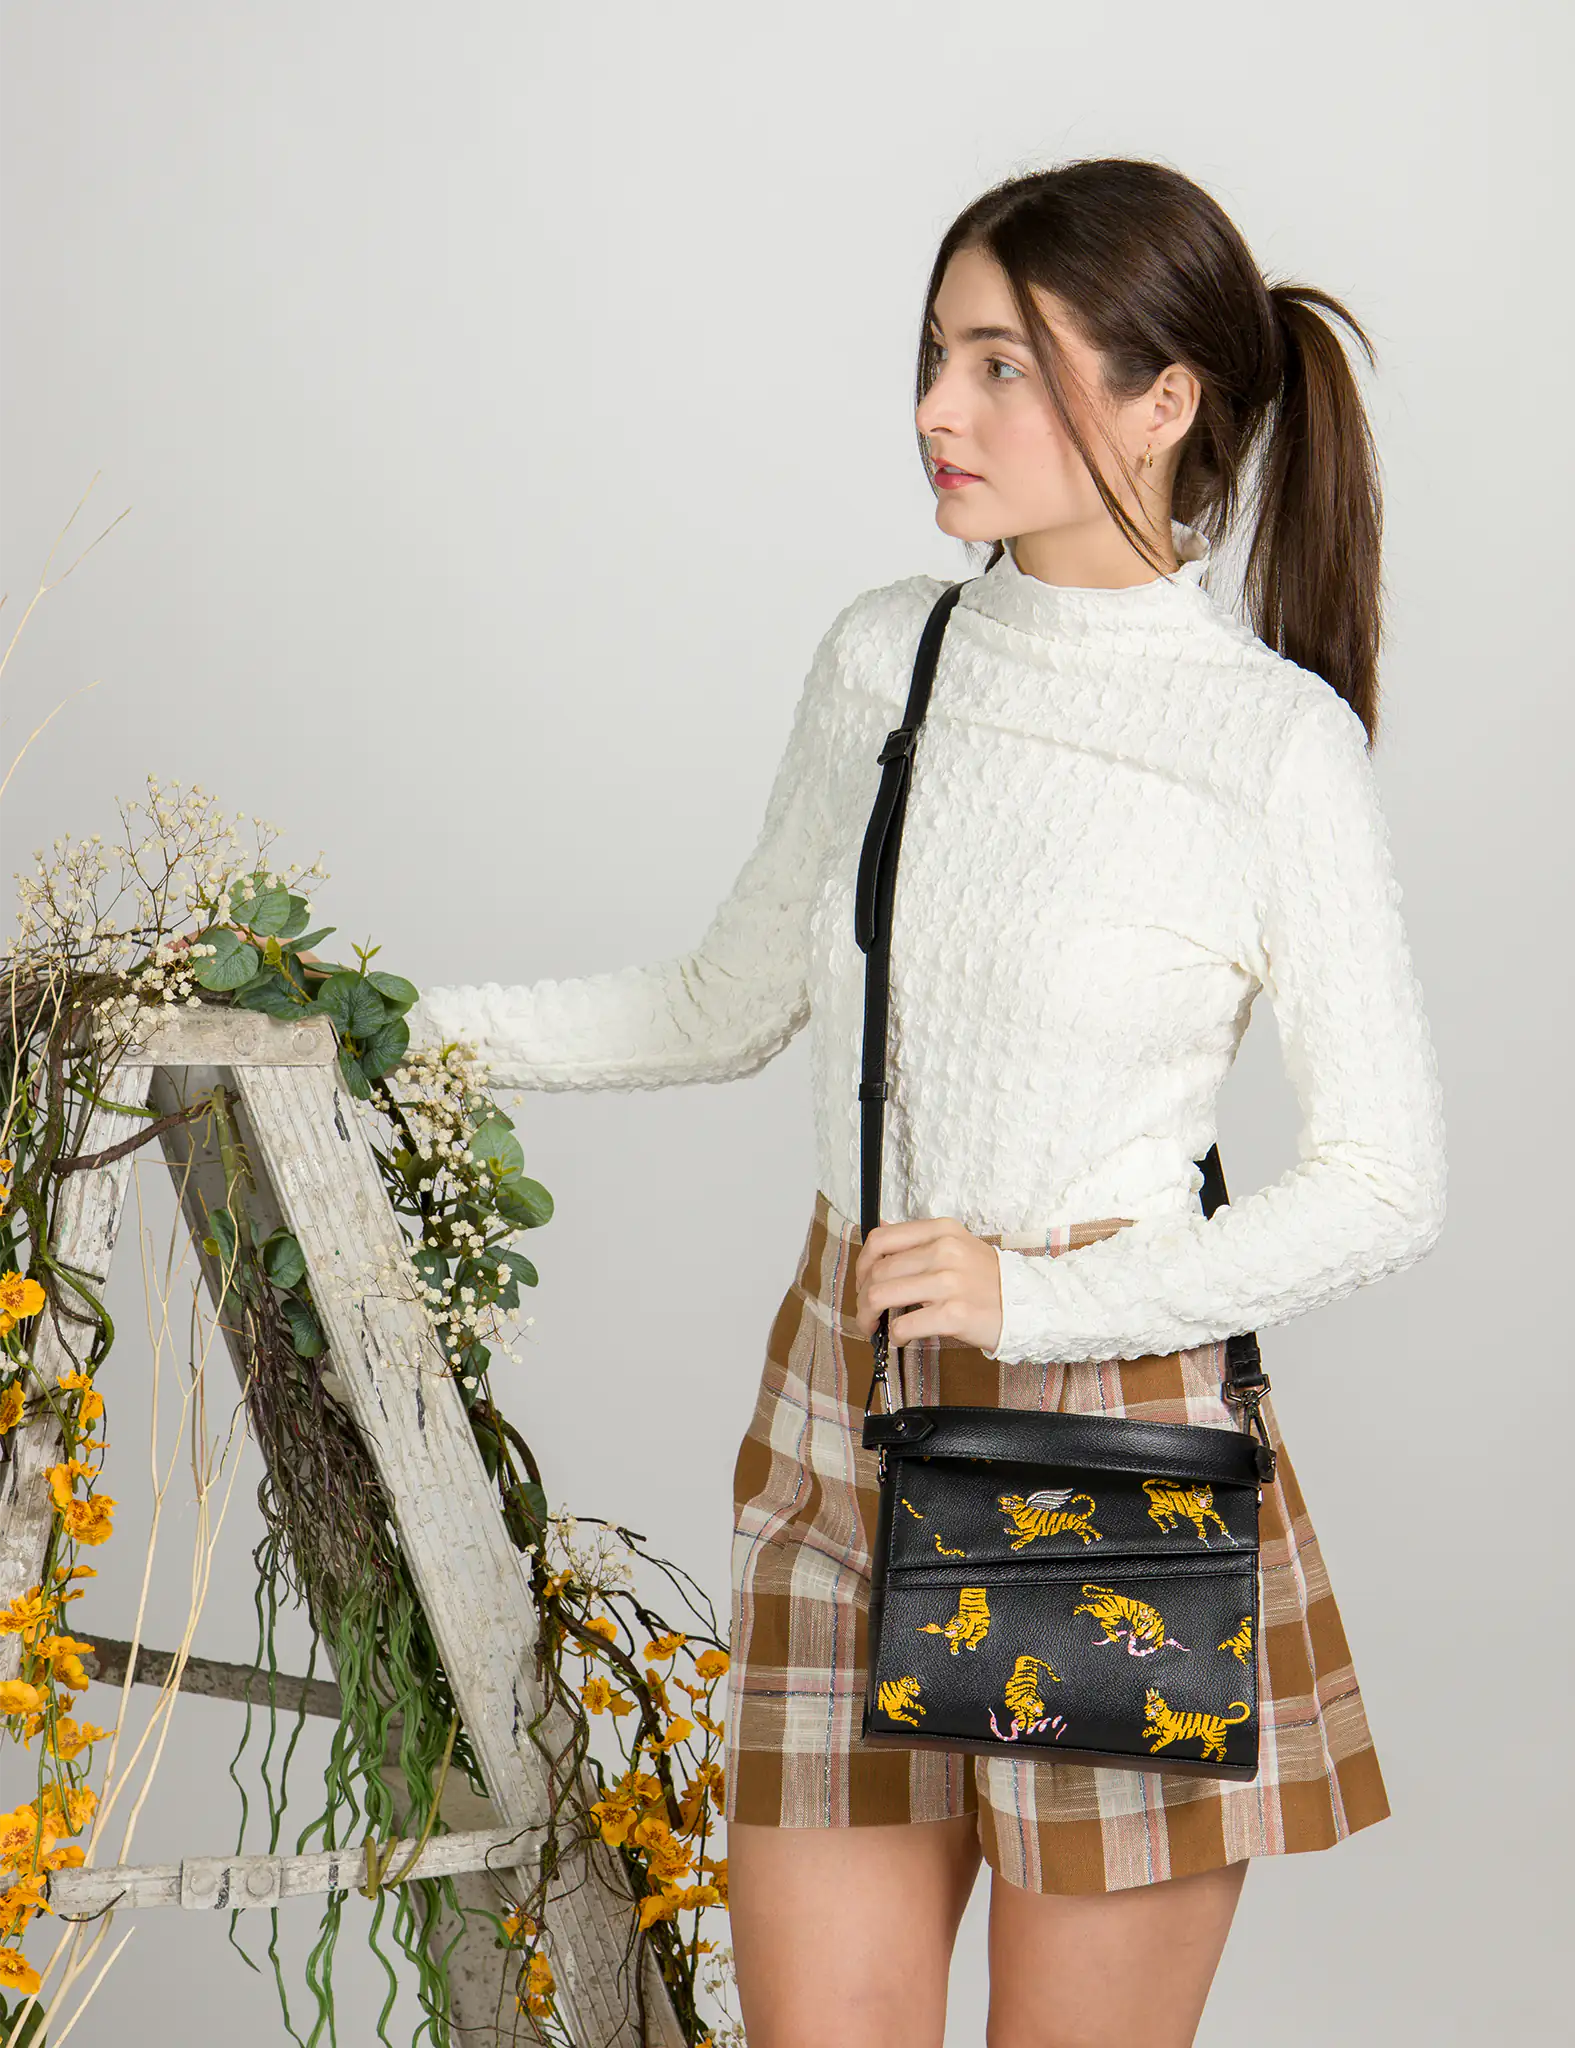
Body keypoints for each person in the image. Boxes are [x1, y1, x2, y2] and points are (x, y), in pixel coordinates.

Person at [404, 157, 1446, 2048]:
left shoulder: (1267, 745)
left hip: (1108, 1449)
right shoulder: (889, 655)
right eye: (934, 356)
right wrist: (377, 1030)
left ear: (1162, 400)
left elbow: (1386, 1179)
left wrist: (1031, 1297)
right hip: (847, 1402)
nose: (933, 411)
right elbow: (722, 1003)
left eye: (999, 366)